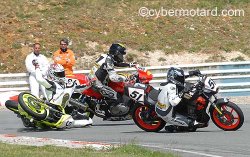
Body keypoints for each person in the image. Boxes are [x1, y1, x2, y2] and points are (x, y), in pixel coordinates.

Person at [34, 62, 92, 128]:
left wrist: (89, 84)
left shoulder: (65, 84)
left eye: (62, 73)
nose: (61, 75)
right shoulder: (51, 84)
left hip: (64, 110)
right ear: (52, 74)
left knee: (88, 120)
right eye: (59, 74)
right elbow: (39, 79)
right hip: (53, 105)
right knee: (70, 87)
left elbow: (79, 89)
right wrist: (37, 68)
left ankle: (65, 118)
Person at [88, 43, 137, 117]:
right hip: (97, 83)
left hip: (96, 79)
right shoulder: (108, 61)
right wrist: (125, 78)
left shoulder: (106, 57)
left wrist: (129, 65)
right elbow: (113, 77)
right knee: (117, 97)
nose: (121, 56)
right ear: (116, 53)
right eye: (121, 54)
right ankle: (104, 110)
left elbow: (116, 63)